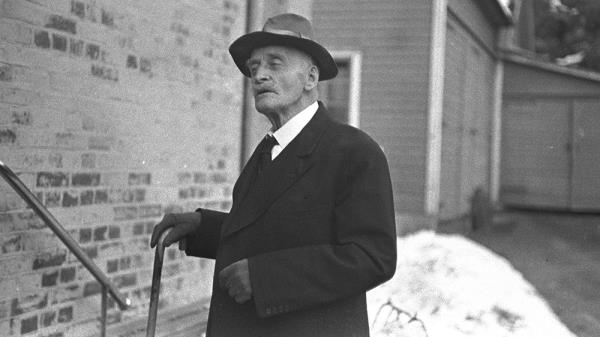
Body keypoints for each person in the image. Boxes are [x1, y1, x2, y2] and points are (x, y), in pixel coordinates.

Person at [150, 13, 397, 337]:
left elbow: (372, 256)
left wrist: (266, 279)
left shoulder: (354, 152)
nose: (259, 76)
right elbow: (277, 228)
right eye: (254, 68)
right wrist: (204, 228)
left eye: (275, 64)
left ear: (311, 78)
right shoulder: (270, 149)